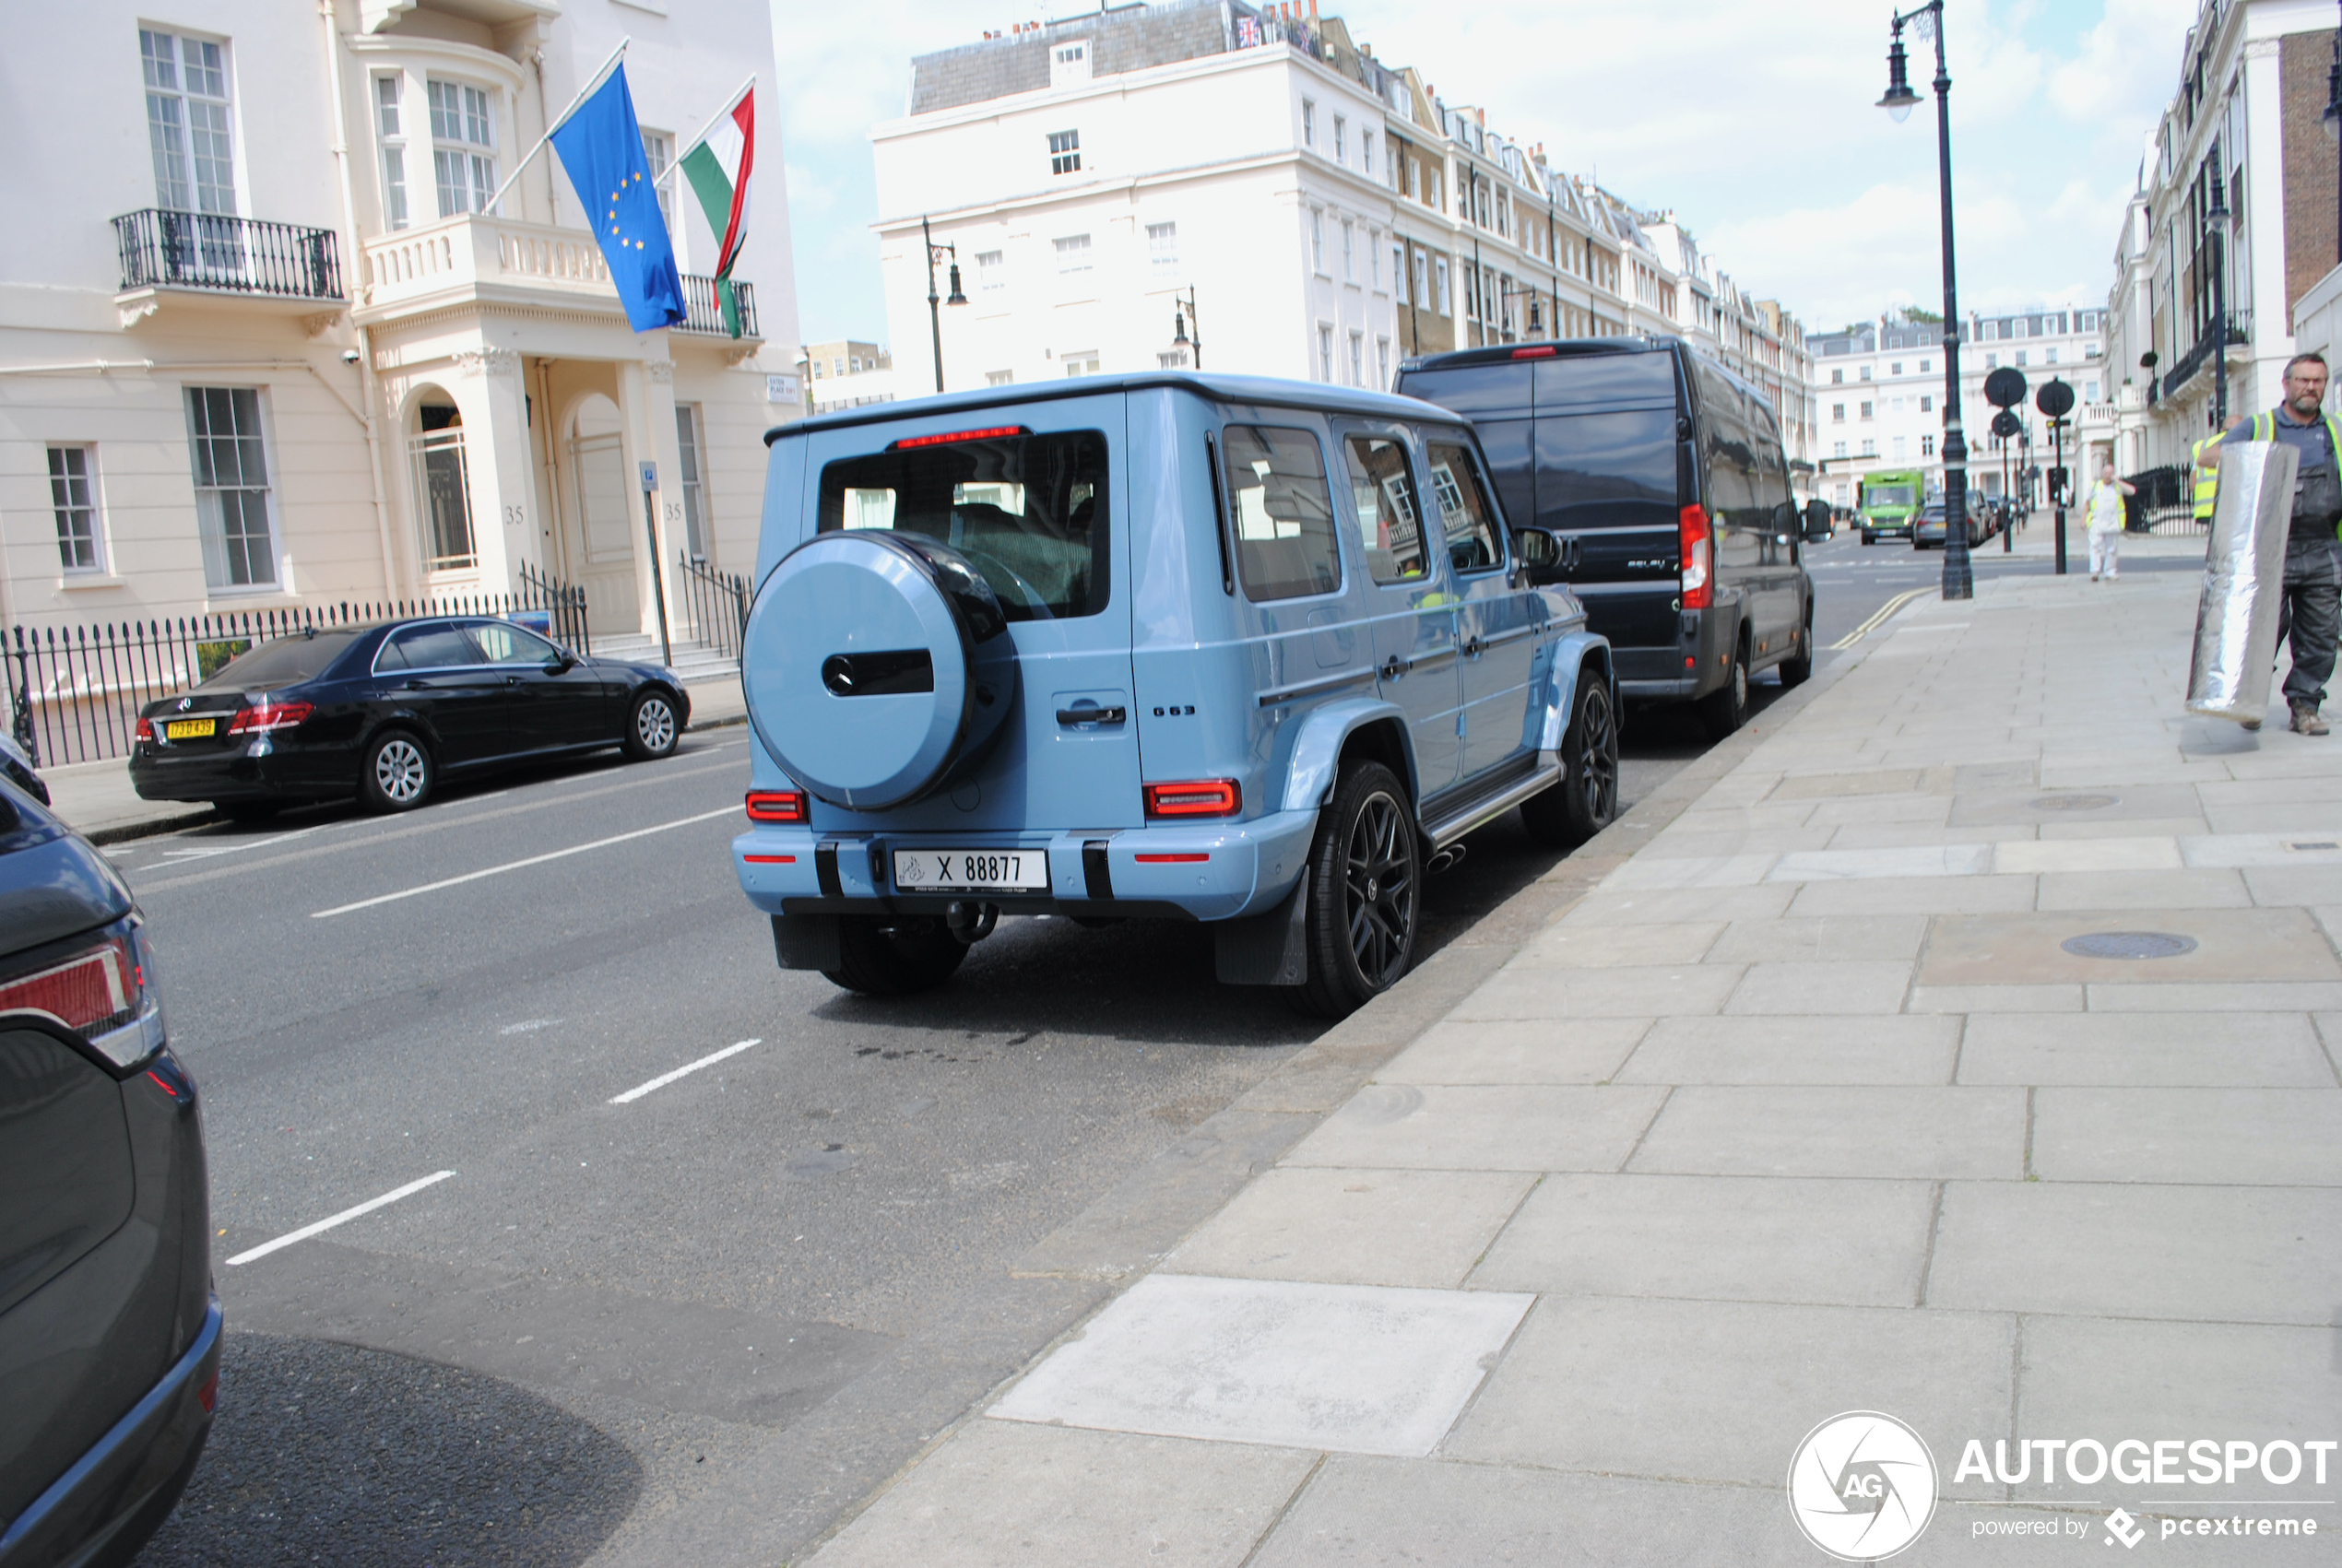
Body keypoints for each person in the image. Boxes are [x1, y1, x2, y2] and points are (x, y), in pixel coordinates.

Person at [2201, 353, 2342, 735]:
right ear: (2286, 384)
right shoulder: (2259, 425)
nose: (2311, 387)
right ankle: (2249, 700)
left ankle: (2305, 707)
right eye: (2303, 380)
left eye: (2318, 381)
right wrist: (2250, 456)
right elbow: (2207, 457)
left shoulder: (2335, 430)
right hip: (2267, 550)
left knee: (2321, 637)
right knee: (2262, 631)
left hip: (2323, 547)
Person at [2083, 459, 2135, 581]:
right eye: (2106, 473)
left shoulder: (2117, 486)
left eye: (2110, 473)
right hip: (2097, 521)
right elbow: (2087, 502)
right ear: (2102, 474)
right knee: (2095, 547)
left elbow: (2132, 491)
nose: (2108, 475)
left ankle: (2110, 571)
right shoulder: (2095, 486)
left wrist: (2118, 481)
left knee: (2112, 548)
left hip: (2112, 522)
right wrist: (2083, 519)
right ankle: (2095, 571)